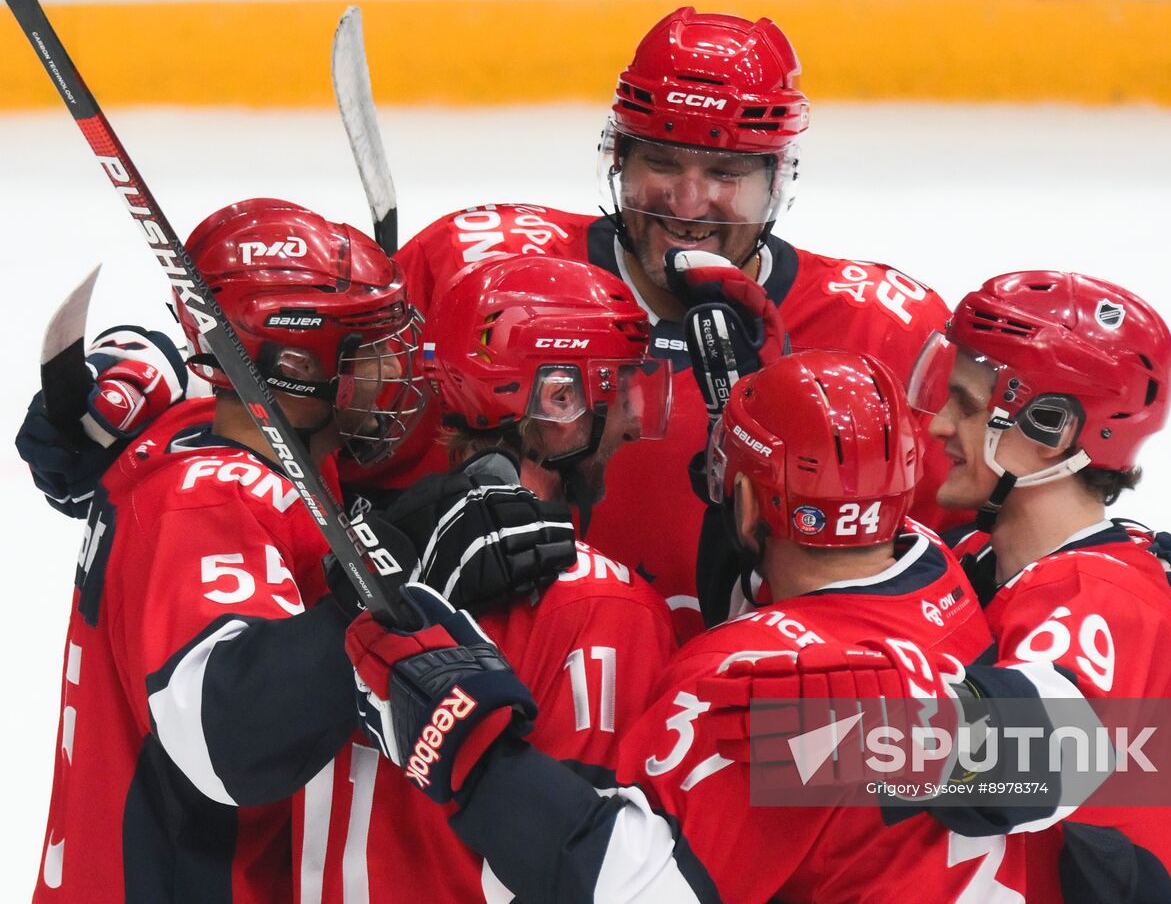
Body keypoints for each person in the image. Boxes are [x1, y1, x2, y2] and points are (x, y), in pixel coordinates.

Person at [343, 350, 1090, 902]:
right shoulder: (943, 575)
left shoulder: (750, 689)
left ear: (745, 504)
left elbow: (628, 887)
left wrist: (463, 742)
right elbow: (1094, 748)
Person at [385, 6, 962, 631]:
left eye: (725, 172)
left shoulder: (883, 333)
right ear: (619, 160)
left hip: (751, 702)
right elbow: (347, 472)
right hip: (514, 695)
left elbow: (942, 567)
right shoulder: (474, 274)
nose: (689, 205)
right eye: (661, 162)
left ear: (776, 181)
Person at [32, 198, 428, 903]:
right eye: (366, 348)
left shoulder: (231, 443)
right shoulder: (208, 505)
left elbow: (197, 378)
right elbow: (229, 739)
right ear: (294, 364)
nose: (393, 368)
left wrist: (142, 352)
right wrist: (365, 603)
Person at [296, 254, 679, 902]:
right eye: (621, 383)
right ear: (560, 398)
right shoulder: (609, 604)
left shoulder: (352, 559)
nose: (637, 417)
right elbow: (600, 867)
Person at [904, 270, 1171, 902]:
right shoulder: (980, 560)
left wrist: (804, 738)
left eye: (967, 407)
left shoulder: (1108, 598)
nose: (939, 426)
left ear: (1050, 430)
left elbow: (1012, 764)